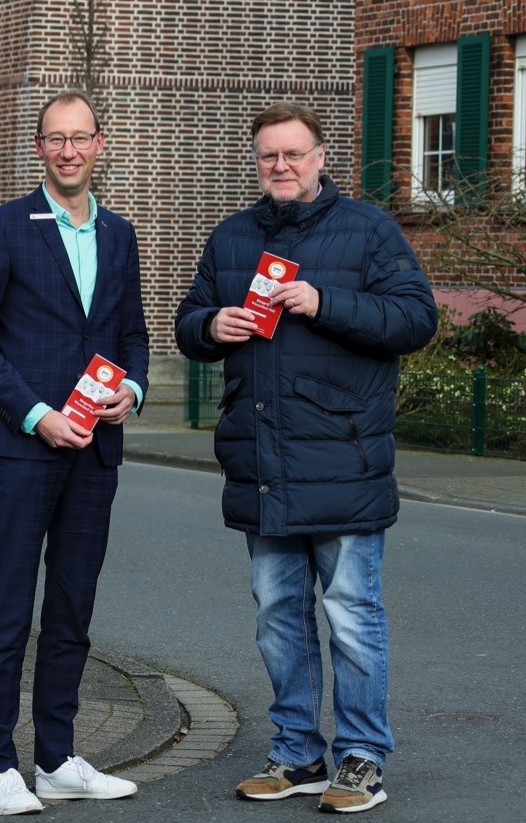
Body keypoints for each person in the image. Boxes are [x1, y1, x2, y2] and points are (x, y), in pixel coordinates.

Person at [174, 102, 437, 814]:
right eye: (268, 156)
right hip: (262, 461)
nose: (281, 166)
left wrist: (325, 301)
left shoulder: (370, 231)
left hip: (345, 460)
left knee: (352, 614)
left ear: (322, 157)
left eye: (294, 154)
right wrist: (210, 324)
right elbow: (187, 322)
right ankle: (295, 755)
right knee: (277, 615)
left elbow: (416, 319)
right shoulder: (232, 238)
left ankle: (360, 758)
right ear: (256, 162)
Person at [0, 91, 148, 814]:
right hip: (23, 450)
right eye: (55, 139)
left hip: (96, 452)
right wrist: (36, 416)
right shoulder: (3, 227)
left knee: (72, 608)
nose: (69, 151)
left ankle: (58, 757)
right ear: (39, 148)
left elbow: (131, 334)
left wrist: (131, 390)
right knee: (9, 606)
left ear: (101, 143)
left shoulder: (121, 234)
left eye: (80, 138)